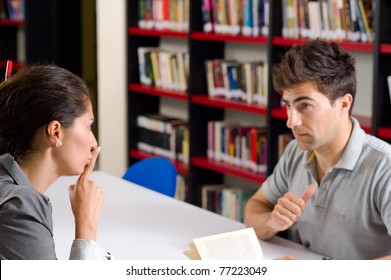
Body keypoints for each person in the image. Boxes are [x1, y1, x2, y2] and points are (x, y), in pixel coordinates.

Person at [244, 39, 391, 260]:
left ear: (343, 104)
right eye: (288, 106)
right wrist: (271, 221)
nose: (291, 122)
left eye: (305, 106)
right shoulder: (295, 151)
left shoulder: (384, 166)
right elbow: (253, 210)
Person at [0, 64, 111, 260]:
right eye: (88, 126)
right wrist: (86, 226)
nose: (94, 143)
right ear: (55, 132)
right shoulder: (20, 207)